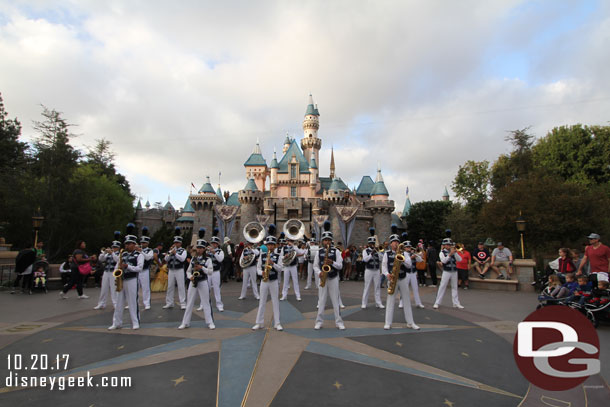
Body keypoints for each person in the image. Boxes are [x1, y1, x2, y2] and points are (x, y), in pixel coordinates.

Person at [382, 227, 419, 330]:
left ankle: (410, 323)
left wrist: (402, 259)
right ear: (390, 244)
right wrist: (386, 274)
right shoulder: (387, 254)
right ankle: (388, 323)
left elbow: (409, 265)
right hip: (392, 279)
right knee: (390, 301)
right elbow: (384, 267)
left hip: (402, 278)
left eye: (397, 241)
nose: (396, 243)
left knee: (407, 300)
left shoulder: (404, 253)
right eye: (394, 242)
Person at [108, 224, 142, 330]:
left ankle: (135, 322)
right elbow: (117, 266)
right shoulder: (123, 255)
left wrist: (128, 266)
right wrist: (117, 274)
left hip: (132, 279)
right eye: (126, 244)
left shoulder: (138, 255)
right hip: (122, 280)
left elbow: (139, 268)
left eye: (129, 244)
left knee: (132, 302)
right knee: (119, 302)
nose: (127, 246)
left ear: (134, 244)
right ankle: (116, 322)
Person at [179, 230, 215, 330]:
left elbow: (210, 271)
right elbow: (188, 271)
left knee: (206, 302)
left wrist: (202, 268)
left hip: (203, 281)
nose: (199, 249)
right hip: (193, 281)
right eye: (198, 247)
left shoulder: (208, 259)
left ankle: (210, 322)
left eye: (201, 248)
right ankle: (185, 322)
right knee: (189, 302)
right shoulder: (194, 259)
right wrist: (189, 276)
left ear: (204, 249)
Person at [313, 221, 345, 330]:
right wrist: (319, 273)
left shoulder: (336, 252)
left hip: (333, 278)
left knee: (335, 300)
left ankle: (339, 322)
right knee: (321, 301)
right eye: (325, 240)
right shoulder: (319, 252)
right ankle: (319, 322)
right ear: (322, 241)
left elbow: (340, 266)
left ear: (331, 241)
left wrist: (332, 263)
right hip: (323, 278)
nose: (327, 242)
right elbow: (315, 266)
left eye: (329, 240)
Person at [252, 225, 283, 331]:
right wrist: (262, 274)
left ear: (275, 246)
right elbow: (258, 268)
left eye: (272, 245)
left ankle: (277, 323)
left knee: (275, 301)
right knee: (262, 302)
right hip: (264, 280)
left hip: (274, 281)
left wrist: (273, 263)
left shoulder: (278, 256)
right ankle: (259, 322)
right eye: (268, 244)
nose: (270, 246)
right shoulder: (262, 255)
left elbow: (280, 269)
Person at [433, 238, 464, 309]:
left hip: (454, 271)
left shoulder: (454, 252)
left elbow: (460, 259)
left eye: (450, 245)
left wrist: (455, 252)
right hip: (446, 271)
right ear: (444, 245)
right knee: (442, 286)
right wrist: (450, 254)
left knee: (454, 287)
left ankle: (456, 303)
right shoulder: (442, 252)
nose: (449, 246)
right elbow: (443, 261)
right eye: (447, 245)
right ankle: (437, 302)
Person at [94, 233, 121, 310]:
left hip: (114, 272)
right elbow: (101, 259)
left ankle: (116, 303)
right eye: (113, 247)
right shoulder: (108, 254)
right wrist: (104, 253)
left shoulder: (119, 254)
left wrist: (112, 253)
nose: (114, 248)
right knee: (104, 288)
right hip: (106, 272)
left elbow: (117, 260)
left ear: (118, 248)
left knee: (114, 288)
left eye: (115, 247)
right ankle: (101, 303)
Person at [163, 227, 187, 310]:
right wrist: (169, 253)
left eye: (177, 243)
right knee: (170, 286)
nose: (175, 244)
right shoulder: (171, 250)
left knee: (181, 286)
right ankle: (169, 302)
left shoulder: (183, 250)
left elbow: (182, 259)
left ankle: (183, 303)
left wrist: (175, 253)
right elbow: (166, 259)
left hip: (179, 269)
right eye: (175, 242)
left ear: (180, 243)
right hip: (171, 270)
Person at [361, 228, 384, 309]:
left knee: (377, 287)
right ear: (368, 243)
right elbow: (365, 259)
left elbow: (382, 259)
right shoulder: (365, 251)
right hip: (368, 270)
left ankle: (378, 303)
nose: (372, 244)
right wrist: (372, 253)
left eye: (373, 243)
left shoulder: (377, 250)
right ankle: (364, 303)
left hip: (377, 270)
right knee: (367, 287)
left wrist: (378, 252)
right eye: (371, 243)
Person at [280, 236, 305, 301]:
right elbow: (280, 257)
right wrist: (284, 256)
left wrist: (293, 246)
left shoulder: (295, 247)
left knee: (295, 281)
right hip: (286, 266)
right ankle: (284, 295)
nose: (290, 242)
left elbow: (301, 252)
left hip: (293, 266)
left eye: (291, 241)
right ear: (287, 241)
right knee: (285, 281)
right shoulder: (284, 248)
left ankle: (298, 296)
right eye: (289, 241)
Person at [404, 238, 425, 308]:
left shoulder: (413, 253)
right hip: (406, 273)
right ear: (404, 248)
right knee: (404, 288)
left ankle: (418, 303)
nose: (409, 248)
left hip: (413, 272)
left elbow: (420, 260)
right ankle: (402, 302)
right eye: (407, 247)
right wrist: (412, 257)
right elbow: (406, 262)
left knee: (415, 288)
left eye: (409, 247)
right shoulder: (403, 254)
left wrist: (418, 254)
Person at [137, 227, 154, 310]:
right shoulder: (137, 250)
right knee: (135, 287)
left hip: (145, 270)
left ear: (147, 243)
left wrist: (141, 251)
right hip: (137, 270)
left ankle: (147, 303)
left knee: (145, 288)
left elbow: (148, 258)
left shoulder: (150, 250)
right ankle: (134, 302)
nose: (142, 244)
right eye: (141, 242)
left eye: (144, 243)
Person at [209, 228, 225, 312]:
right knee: (206, 289)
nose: (213, 245)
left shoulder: (220, 251)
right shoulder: (207, 251)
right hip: (208, 272)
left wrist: (214, 253)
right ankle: (203, 304)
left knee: (216, 289)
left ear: (217, 244)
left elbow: (220, 259)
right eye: (212, 243)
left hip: (216, 272)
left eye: (215, 243)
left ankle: (219, 304)